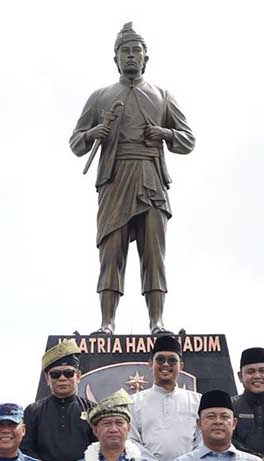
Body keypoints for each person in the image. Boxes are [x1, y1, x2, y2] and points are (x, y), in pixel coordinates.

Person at [70, 22, 196, 334]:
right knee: (111, 251)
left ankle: (157, 321)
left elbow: (187, 140)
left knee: (154, 254)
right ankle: (107, 322)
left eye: (135, 51)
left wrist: (164, 133)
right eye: (124, 51)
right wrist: (93, 133)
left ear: (145, 58)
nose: (130, 56)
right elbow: (75, 143)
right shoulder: (100, 97)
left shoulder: (162, 96)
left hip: (151, 178)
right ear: (115, 59)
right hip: (115, 180)